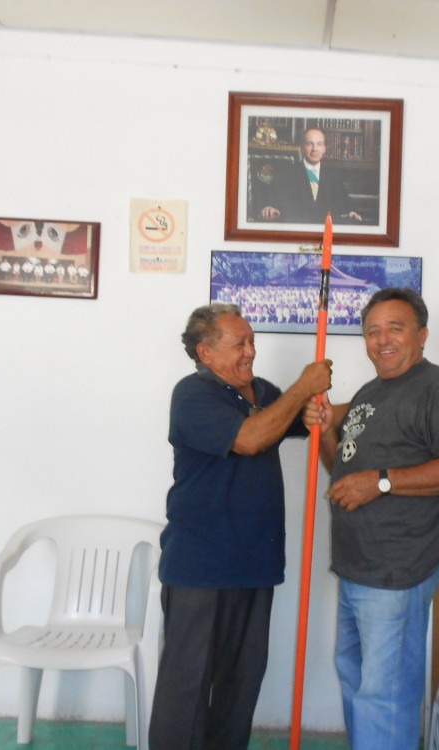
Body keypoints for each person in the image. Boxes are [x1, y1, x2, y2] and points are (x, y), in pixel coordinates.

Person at [149, 303, 332, 750]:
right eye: (239, 343)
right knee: (186, 689)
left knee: (240, 686)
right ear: (206, 352)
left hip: (254, 566)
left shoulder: (261, 391)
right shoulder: (193, 395)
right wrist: (302, 389)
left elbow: (294, 419)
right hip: (201, 569)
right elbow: (250, 439)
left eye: (251, 341)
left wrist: (315, 411)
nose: (250, 351)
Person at [304, 287, 439, 750]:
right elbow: (342, 469)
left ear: (422, 335)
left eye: (395, 329)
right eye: (372, 331)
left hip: (396, 569)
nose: (382, 340)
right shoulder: (371, 392)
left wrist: (380, 482)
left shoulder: (438, 389)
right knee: (356, 681)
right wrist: (324, 428)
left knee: (385, 696)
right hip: (357, 567)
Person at [258, 127, 363, 224]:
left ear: (324, 149)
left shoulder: (333, 176)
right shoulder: (286, 173)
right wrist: (270, 207)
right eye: (309, 144)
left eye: (319, 144)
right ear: (302, 147)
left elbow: (345, 202)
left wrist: (352, 211)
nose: (314, 149)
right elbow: (273, 200)